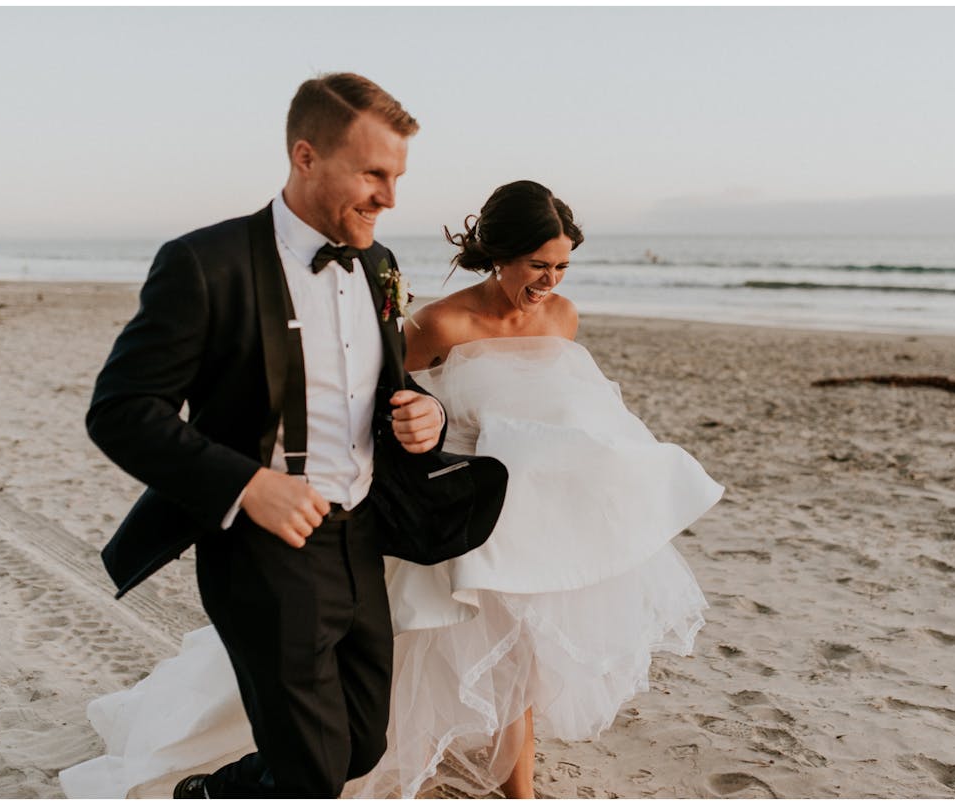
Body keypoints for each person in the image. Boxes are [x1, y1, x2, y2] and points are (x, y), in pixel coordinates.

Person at [61, 181, 722, 799]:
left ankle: (517, 788)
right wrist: (423, 419)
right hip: (457, 513)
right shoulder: (440, 323)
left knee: (526, 645)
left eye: (561, 268)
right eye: (536, 266)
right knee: (392, 656)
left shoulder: (564, 319)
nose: (548, 284)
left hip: (534, 513)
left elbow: (568, 409)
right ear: (498, 256)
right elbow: (374, 393)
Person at [77, 73, 451, 798]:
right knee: (313, 771)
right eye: (373, 173)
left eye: (398, 176)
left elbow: (376, 385)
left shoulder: (380, 264)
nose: (391, 197)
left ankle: (215, 792)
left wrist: (421, 414)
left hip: (361, 534)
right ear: (306, 157)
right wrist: (249, 485)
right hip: (261, 551)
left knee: (362, 744)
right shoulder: (204, 264)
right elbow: (120, 408)